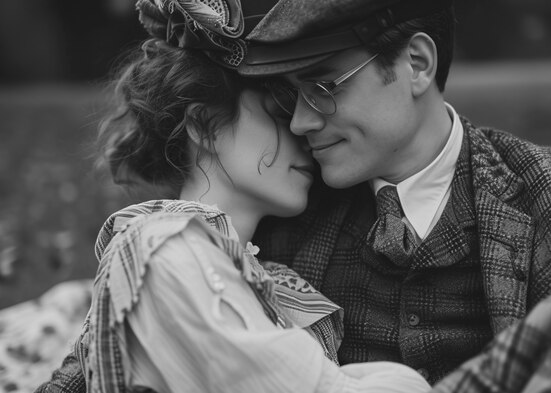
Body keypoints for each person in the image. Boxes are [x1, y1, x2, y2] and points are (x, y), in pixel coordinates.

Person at [35, 0, 432, 392]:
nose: (303, 129)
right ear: (205, 126)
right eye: (279, 112)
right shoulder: (165, 251)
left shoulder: (265, 277)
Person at [239, 0, 551, 385]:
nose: (300, 123)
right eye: (290, 96)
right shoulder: (281, 222)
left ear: (418, 64)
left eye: (322, 87)